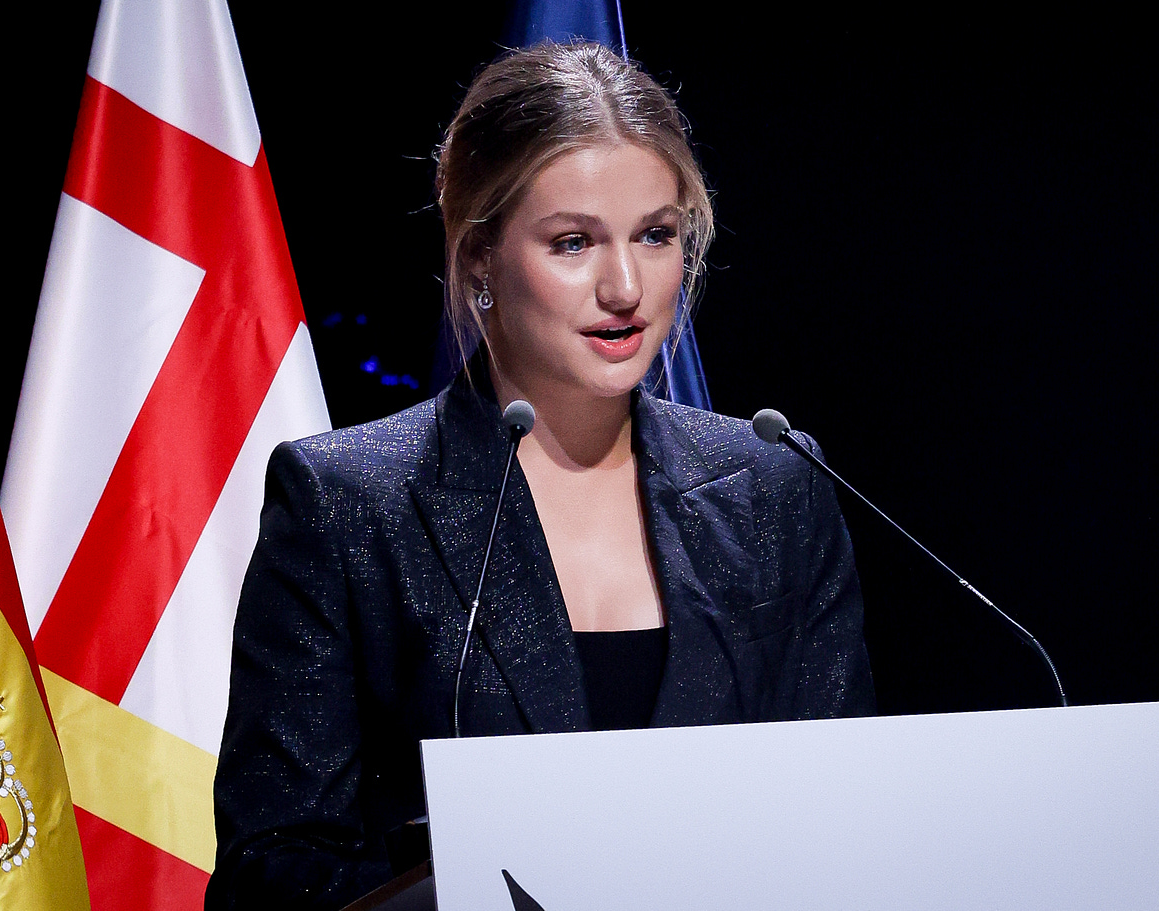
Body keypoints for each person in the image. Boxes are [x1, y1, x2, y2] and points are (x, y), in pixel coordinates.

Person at [205, 41, 874, 911]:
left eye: (656, 235)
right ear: (481, 256)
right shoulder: (347, 502)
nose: (626, 286)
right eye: (573, 242)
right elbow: (273, 869)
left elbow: (844, 817)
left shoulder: (773, 487)